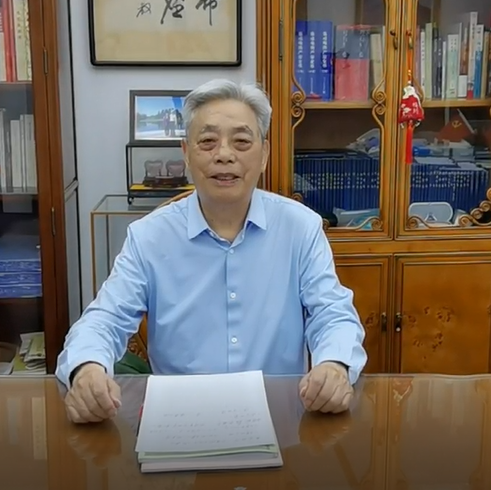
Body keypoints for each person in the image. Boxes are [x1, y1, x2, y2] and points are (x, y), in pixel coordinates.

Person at [56, 79, 366, 424]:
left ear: (264, 154)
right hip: (180, 423)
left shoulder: (300, 228)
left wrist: (335, 364)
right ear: (186, 153)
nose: (224, 154)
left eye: (241, 141)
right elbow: (104, 319)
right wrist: (86, 368)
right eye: (207, 141)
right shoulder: (149, 237)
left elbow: (333, 314)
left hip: (278, 420)